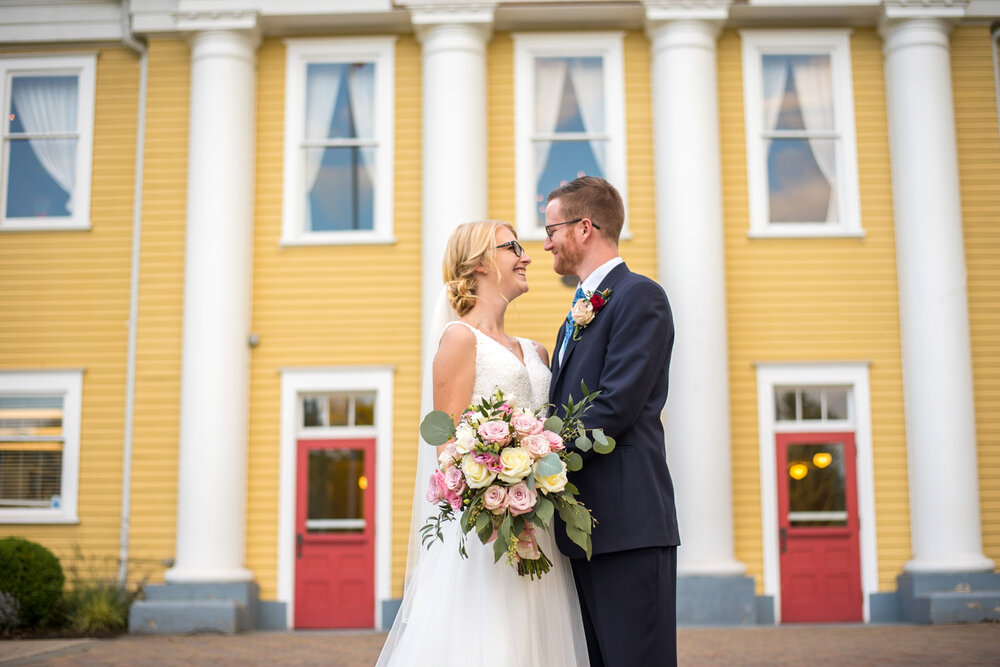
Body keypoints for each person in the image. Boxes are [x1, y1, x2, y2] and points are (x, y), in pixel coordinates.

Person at [376, 221, 590, 667]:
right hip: (487, 531)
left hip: (541, 526)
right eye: (512, 247)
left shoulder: (536, 351)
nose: (526, 256)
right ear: (478, 264)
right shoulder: (459, 340)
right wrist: (497, 500)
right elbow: (447, 449)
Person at [544, 176, 680, 667]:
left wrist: (533, 461)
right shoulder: (576, 312)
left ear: (584, 227)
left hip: (628, 528)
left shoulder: (640, 297)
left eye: (552, 228)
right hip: (582, 532)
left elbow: (614, 409)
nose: (545, 243)